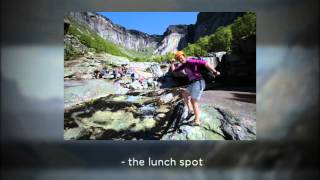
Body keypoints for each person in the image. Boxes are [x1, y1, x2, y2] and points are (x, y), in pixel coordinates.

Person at [170, 51, 220, 126]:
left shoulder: (190, 61)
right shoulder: (184, 65)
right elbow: (174, 71)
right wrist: (172, 63)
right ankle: (191, 110)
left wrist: (215, 71)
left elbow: (205, 63)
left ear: (184, 56)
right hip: (193, 83)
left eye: (181, 57)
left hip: (199, 82)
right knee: (184, 93)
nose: (180, 60)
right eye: (179, 59)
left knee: (194, 101)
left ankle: (197, 120)